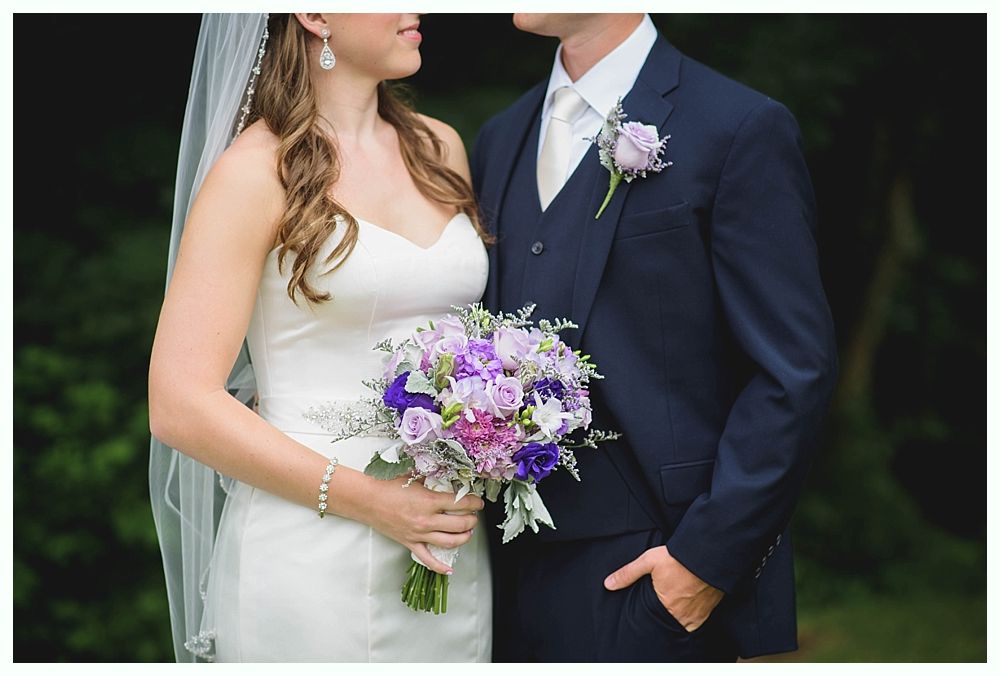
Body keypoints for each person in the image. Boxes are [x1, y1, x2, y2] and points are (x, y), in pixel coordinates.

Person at [472, 13, 838, 662]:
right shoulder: (499, 139)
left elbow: (793, 370)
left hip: (653, 565)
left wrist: (703, 562)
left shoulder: (736, 126)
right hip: (498, 574)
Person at [148, 13, 492, 662]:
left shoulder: (438, 146)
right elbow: (179, 402)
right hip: (309, 543)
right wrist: (373, 502)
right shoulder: (255, 172)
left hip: (445, 537)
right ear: (313, 14)